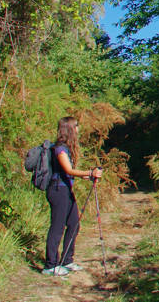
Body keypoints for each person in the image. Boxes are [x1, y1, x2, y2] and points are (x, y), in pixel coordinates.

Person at [42, 116, 102, 276]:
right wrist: (90, 172)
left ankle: (66, 260)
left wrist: (87, 175)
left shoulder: (66, 148)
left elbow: (68, 173)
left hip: (65, 191)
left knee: (74, 223)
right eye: (76, 126)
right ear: (69, 129)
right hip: (57, 191)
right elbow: (68, 170)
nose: (78, 129)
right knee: (57, 227)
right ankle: (50, 265)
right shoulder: (60, 149)